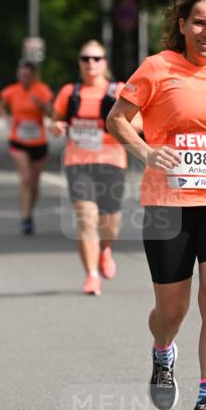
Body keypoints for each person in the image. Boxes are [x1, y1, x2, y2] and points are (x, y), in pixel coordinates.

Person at [106, 0, 206, 410]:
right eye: (198, 22)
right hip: (168, 204)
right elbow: (116, 118)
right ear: (182, 24)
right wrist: (146, 151)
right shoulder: (157, 68)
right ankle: (162, 350)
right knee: (171, 311)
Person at [50, 40, 133, 295]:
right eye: (86, 58)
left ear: (105, 63)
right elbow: (56, 121)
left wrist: (118, 125)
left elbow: (138, 123)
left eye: (96, 58)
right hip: (78, 162)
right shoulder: (69, 91)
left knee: (111, 224)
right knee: (86, 218)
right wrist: (57, 127)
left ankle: (105, 248)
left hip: (111, 161)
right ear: (80, 63)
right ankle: (91, 275)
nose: (91, 63)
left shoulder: (118, 90)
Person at [0, 61, 54, 234]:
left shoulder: (42, 90)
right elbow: (1, 105)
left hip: (38, 142)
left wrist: (41, 106)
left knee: (35, 183)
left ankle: (29, 211)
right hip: (18, 140)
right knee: (26, 178)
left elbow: (51, 113)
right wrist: (6, 117)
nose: (24, 78)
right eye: (21, 74)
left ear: (34, 75)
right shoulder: (11, 90)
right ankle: (25, 217)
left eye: (28, 75)